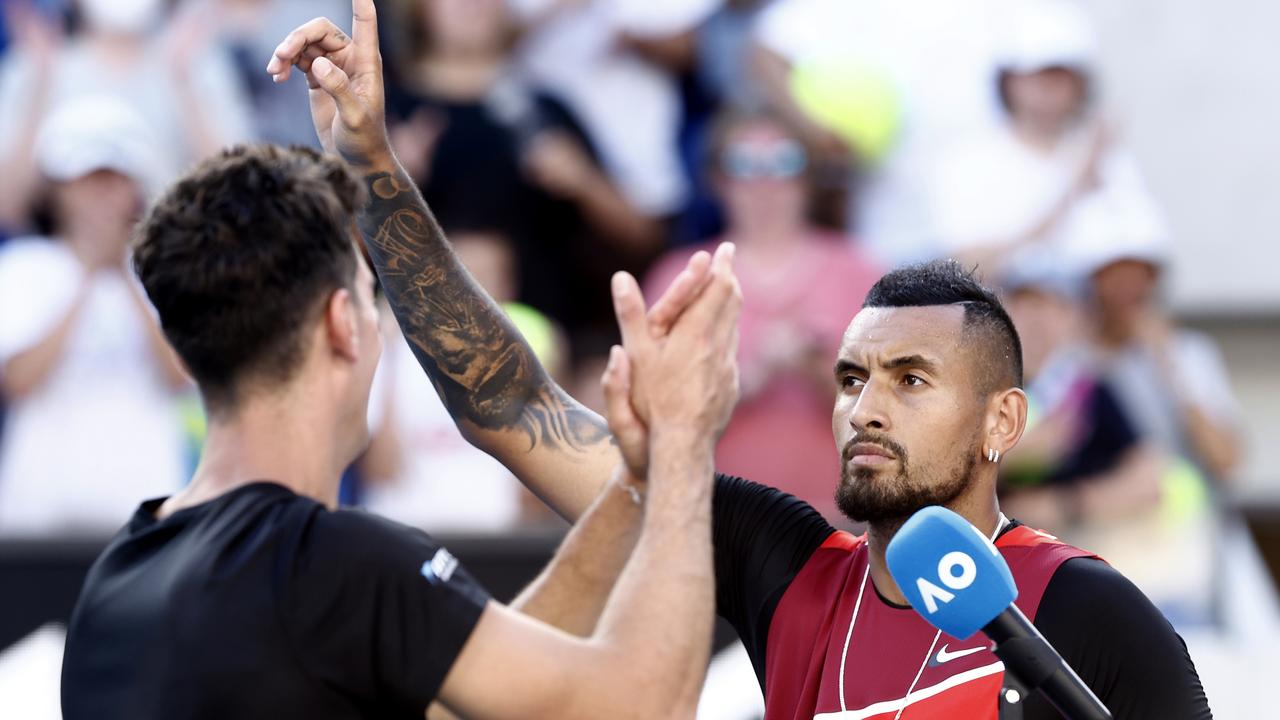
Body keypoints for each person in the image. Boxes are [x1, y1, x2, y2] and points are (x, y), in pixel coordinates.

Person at [370, 124, 1214, 720]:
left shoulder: (1084, 607)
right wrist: (372, 165)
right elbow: (511, 406)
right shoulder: (784, 561)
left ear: (1003, 420)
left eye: (911, 379)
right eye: (851, 378)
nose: (865, 408)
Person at [60, 3, 744, 717]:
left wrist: (633, 485)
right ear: (341, 325)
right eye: (368, 295)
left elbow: (460, 702)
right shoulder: (339, 567)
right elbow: (640, 703)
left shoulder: (117, 576)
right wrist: (684, 447)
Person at [646, 111, 880, 521]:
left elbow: (898, 415)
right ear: (719, 179)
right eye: (744, 164)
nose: (764, 182)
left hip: (842, 524)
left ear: (808, 178)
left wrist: (823, 374)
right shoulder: (681, 277)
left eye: (784, 163)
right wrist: (752, 375)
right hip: (715, 523)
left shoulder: (860, 272)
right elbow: (655, 415)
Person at [0, 95, 189, 537]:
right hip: (40, 506)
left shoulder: (165, 273)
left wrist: (122, 276)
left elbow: (181, 375)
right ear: (58, 190)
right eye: (88, 181)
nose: (102, 195)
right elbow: (19, 380)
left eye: (114, 180)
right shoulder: (22, 267)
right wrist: (87, 278)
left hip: (143, 502)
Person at [0, 0, 254, 229]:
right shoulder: (37, 64)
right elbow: (7, 205)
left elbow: (238, 192)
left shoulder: (196, 62)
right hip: (62, 266)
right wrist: (40, 87)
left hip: (171, 256)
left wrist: (184, 82)